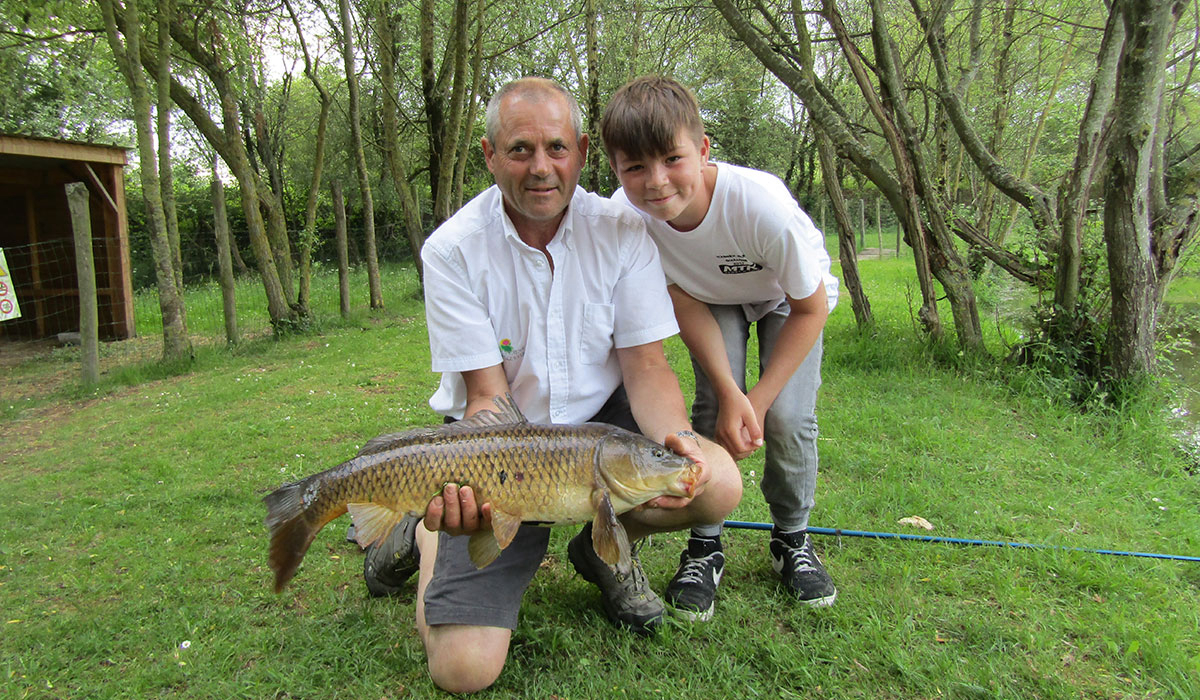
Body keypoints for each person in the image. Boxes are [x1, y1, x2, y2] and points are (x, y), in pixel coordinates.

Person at [361, 77, 742, 694]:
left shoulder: (622, 231)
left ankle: (604, 550)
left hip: (603, 430)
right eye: (519, 150)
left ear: (583, 152)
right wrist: (469, 496)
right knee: (462, 672)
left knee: (717, 481)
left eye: (557, 148)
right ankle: (422, 527)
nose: (541, 168)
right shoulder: (453, 250)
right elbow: (486, 396)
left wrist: (675, 438)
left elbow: (647, 367)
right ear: (489, 156)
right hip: (499, 451)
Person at [599, 76, 840, 619]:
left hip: (789, 300)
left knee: (787, 418)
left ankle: (792, 538)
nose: (655, 182)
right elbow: (682, 300)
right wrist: (732, 392)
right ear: (616, 168)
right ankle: (704, 544)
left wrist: (756, 400)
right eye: (634, 167)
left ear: (704, 150)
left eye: (671, 159)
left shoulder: (759, 205)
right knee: (711, 411)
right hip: (709, 300)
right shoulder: (629, 217)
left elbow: (811, 307)